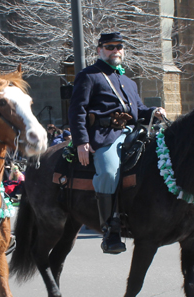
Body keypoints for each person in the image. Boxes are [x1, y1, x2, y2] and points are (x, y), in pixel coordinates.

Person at [69, 32, 166, 254]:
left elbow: (139, 110)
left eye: (119, 47)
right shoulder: (89, 75)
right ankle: (110, 229)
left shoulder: (128, 81)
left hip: (133, 132)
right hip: (105, 135)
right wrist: (81, 142)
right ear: (99, 50)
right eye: (110, 47)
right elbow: (77, 110)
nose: (115, 51)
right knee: (108, 171)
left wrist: (154, 111)